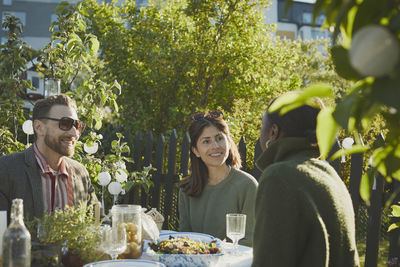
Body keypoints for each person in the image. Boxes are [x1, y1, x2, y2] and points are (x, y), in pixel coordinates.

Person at [252, 94, 360, 266]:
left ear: (273, 131)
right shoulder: (330, 175)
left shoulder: (279, 177)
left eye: (261, 125)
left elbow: (270, 261)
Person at [0, 94, 98, 223]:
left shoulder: (81, 173)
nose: (75, 133)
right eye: (65, 123)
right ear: (39, 127)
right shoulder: (6, 170)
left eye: (77, 125)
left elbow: (98, 222)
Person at [178, 111, 258, 247]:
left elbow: (249, 242)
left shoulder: (248, 186)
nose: (215, 146)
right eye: (206, 141)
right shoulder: (186, 189)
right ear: (196, 151)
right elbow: (186, 241)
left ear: (228, 142)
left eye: (219, 138)